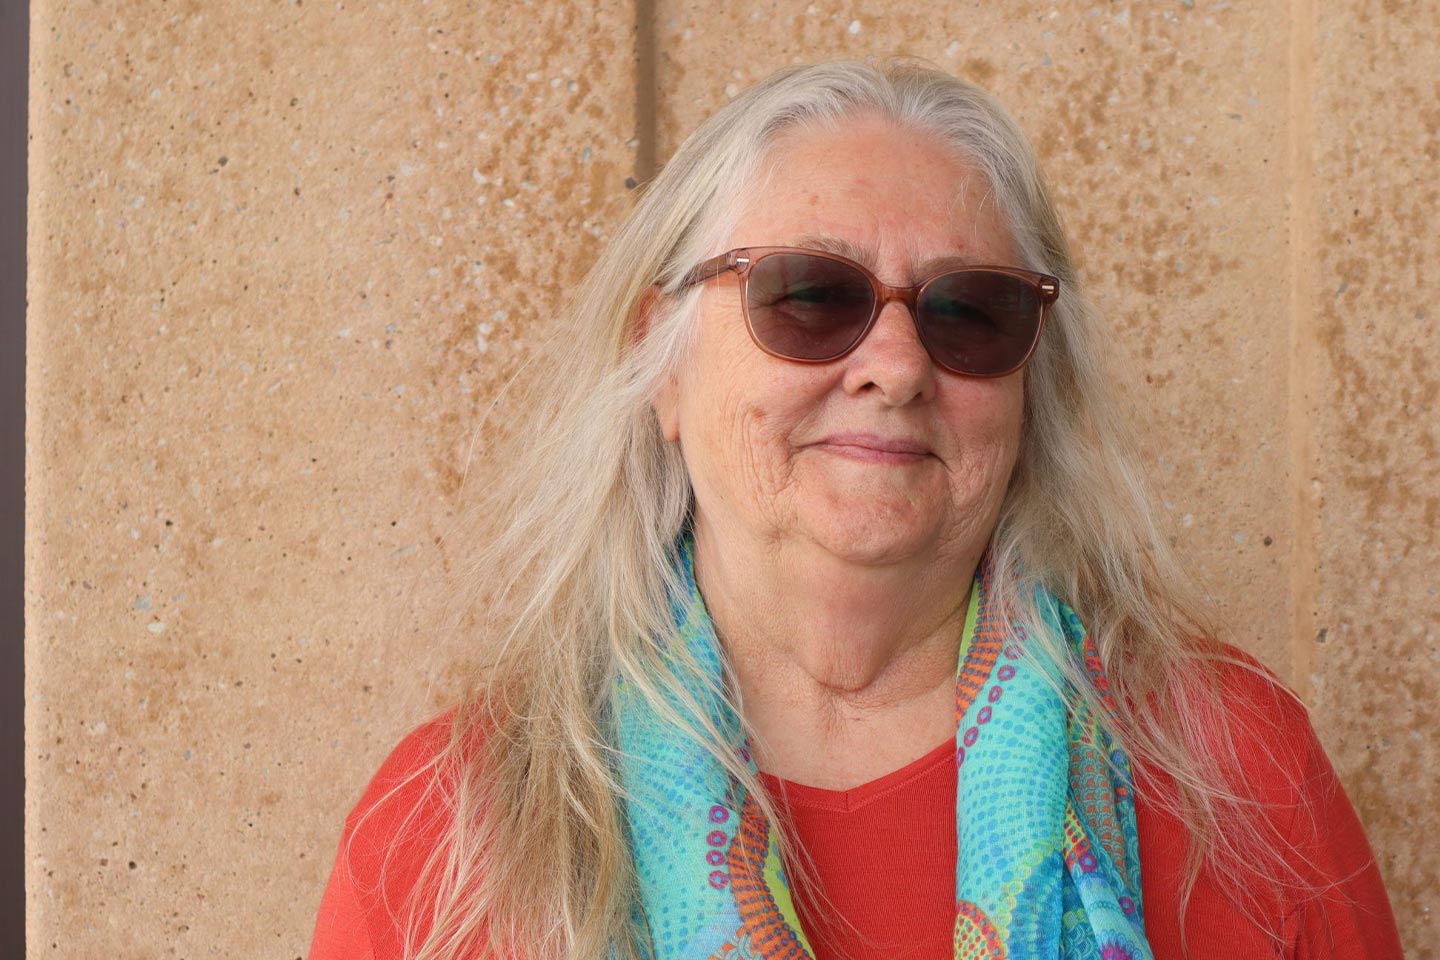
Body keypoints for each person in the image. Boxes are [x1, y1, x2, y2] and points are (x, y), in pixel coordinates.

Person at [307, 58, 1404, 960]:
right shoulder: (451, 831)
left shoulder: (1234, 774)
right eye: (810, 297)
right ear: (663, 361)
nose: (895, 364)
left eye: (968, 312)